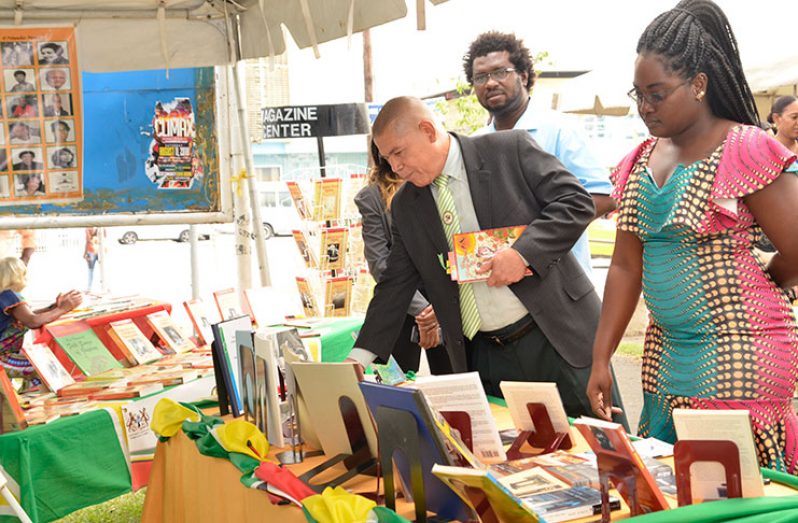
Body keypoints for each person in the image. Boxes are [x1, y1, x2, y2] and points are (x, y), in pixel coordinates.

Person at [586, 0, 798, 472]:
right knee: (670, 477)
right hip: (666, 350)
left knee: (730, 485)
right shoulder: (638, 160)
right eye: (638, 94)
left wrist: (771, 277)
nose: (644, 107)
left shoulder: (743, 147)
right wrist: (601, 357)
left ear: (699, 84)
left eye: (657, 94)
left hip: (742, 346)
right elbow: (624, 266)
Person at [346, 96, 627, 426]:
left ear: (427, 130)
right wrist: (359, 357)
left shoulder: (508, 150)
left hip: (555, 337)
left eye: (398, 153)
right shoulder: (408, 204)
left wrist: (523, 254)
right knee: (514, 457)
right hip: (485, 356)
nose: (395, 167)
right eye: (387, 158)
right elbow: (394, 284)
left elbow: (575, 202)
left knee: (603, 450)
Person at [463, 31, 616, 275]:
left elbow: (602, 197)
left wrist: (530, 243)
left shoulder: (559, 129)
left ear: (523, 76)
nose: (490, 83)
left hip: (561, 283)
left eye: (501, 72)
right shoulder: (473, 144)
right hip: (500, 286)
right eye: (480, 77)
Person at [354, 139, 452, 374]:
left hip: (447, 299)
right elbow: (380, 263)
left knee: (452, 377)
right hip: (403, 301)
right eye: (389, 153)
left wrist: (438, 309)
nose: (397, 162)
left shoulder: (435, 182)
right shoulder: (371, 197)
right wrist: (424, 310)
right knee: (396, 380)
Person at [0, 257, 82, 389]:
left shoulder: (5, 295)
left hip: (6, 354)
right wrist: (63, 308)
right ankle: (37, 403)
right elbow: (32, 321)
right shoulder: (9, 296)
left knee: (41, 365)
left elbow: (29, 315)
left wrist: (54, 307)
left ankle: (27, 399)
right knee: (45, 369)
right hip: (2, 358)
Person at [84, 227, 100, 292]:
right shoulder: (100, 227)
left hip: (91, 250)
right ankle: (107, 286)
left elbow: (88, 241)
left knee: (90, 270)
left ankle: (89, 288)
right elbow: (105, 236)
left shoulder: (88, 228)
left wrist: (85, 253)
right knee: (104, 269)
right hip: (100, 250)